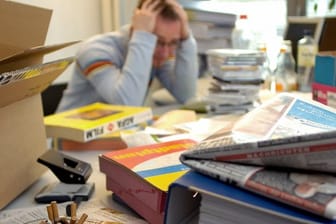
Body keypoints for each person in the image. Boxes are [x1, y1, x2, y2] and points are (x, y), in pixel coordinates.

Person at [56, 0, 198, 112]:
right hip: (70, 143)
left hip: (112, 137)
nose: (165, 53)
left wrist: (186, 39)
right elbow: (127, 104)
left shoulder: (158, 53)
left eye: (173, 42)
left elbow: (186, 95)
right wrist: (143, 37)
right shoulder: (96, 49)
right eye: (158, 41)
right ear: (135, 29)